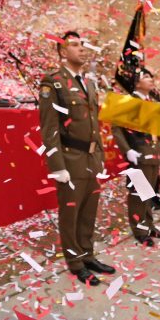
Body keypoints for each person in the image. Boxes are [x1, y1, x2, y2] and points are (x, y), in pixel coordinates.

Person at [38, 31, 114, 286]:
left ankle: (87, 255)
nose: (81, 49)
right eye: (74, 45)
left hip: (91, 159)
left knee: (88, 212)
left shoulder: (89, 83)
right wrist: (57, 166)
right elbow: (49, 129)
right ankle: (75, 262)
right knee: (70, 214)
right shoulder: (53, 83)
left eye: (82, 44)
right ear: (62, 52)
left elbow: (94, 125)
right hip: (70, 160)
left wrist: (100, 157)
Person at [111, 68, 160, 246]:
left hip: (153, 153)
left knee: (149, 192)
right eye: (146, 77)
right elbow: (117, 127)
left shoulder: (152, 101)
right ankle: (139, 229)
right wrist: (127, 150)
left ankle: (149, 225)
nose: (151, 79)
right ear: (136, 82)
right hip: (138, 154)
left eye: (151, 76)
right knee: (138, 194)